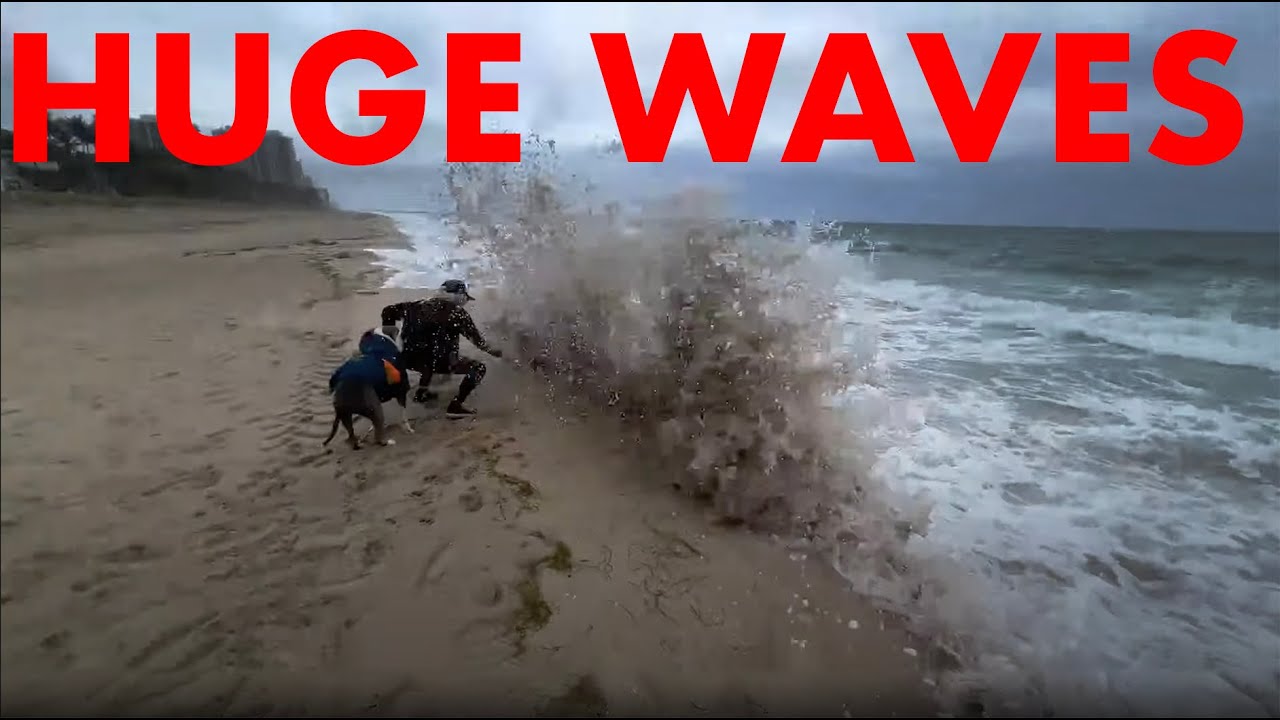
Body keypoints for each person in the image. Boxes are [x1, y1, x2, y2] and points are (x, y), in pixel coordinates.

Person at [380, 279, 503, 419]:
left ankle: (423, 393)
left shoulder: (413, 306)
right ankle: (455, 406)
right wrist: (503, 353)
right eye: (465, 298)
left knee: (429, 352)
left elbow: (387, 311)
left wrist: (389, 338)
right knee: (478, 368)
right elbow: (480, 344)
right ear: (459, 295)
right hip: (438, 362)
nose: (465, 302)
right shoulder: (458, 314)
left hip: (408, 360)